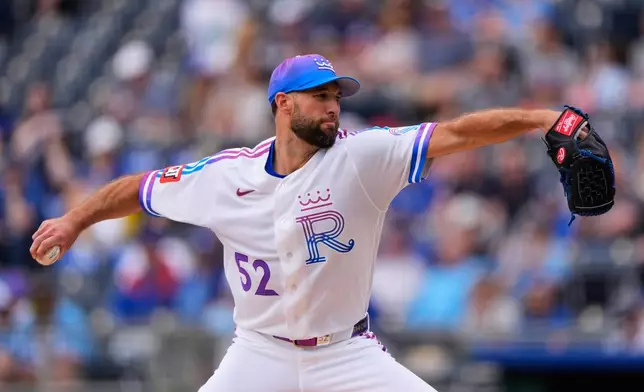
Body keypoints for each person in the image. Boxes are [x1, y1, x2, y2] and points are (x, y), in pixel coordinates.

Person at [30, 54, 562, 391]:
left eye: (336, 96)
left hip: (346, 355)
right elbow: (137, 189)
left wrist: (541, 119)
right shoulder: (225, 177)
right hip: (258, 354)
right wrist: (75, 221)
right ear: (284, 104)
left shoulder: (364, 157)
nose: (333, 107)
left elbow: (459, 133)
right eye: (320, 96)